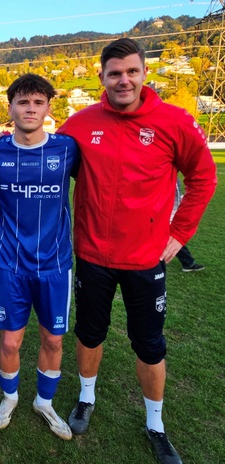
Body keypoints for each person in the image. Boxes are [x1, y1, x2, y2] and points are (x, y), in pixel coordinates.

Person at [58, 38, 217, 464]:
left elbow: (203, 178)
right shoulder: (80, 123)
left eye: (131, 71)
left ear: (145, 73)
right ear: (102, 77)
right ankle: (86, 399)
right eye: (115, 73)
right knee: (89, 333)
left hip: (146, 259)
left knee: (149, 344)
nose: (123, 80)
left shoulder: (174, 121)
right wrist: (0, 140)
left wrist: (179, 232)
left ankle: (156, 425)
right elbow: (44, 156)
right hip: (92, 255)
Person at [0, 74, 79, 440]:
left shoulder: (67, 149)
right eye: (23, 102)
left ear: (48, 108)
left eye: (38, 102)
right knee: (9, 342)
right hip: (12, 265)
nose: (31, 109)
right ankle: (9, 398)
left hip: (55, 265)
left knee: (53, 340)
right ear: (10, 109)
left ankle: (44, 402)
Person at [172, 178, 204, 272]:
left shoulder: (172, 178)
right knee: (171, 237)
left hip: (164, 212)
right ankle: (188, 263)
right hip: (164, 213)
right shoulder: (170, 177)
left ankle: (188, 263)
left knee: (169, 237)